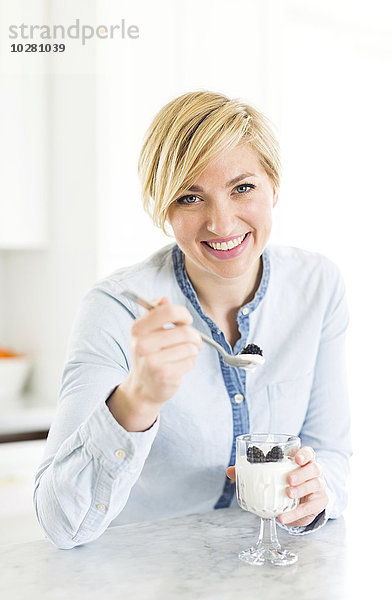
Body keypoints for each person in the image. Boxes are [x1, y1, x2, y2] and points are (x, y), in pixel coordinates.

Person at [34, 91, 351, 549]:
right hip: (143, 573)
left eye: (243, 188)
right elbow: (61, 523)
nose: (222, 224)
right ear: (164, 210)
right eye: (190, 197)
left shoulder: (318, 287)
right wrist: (137, 400)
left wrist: (315, 495)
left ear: (274, 186)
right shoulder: (116, 308)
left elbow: (332, 454)